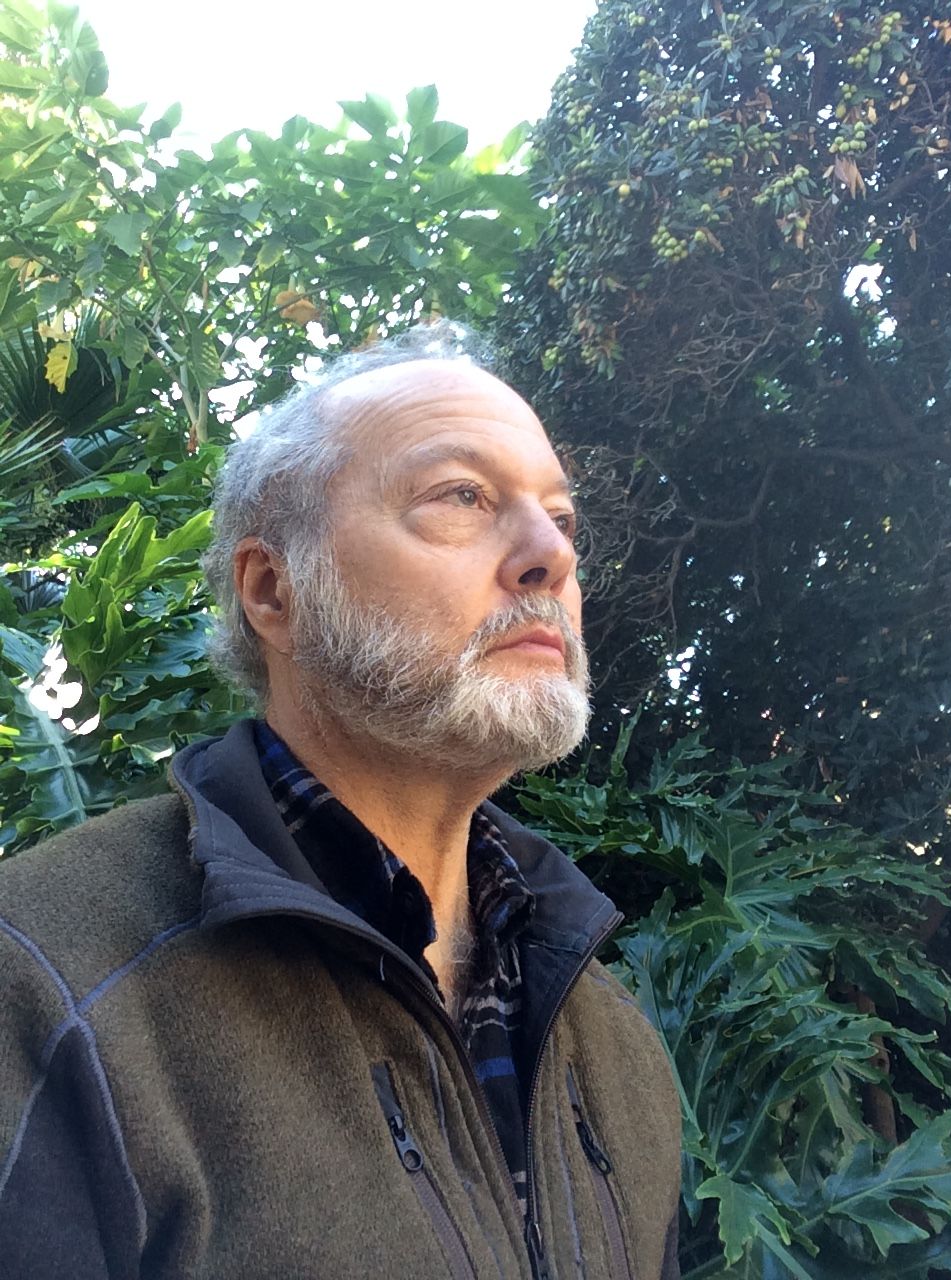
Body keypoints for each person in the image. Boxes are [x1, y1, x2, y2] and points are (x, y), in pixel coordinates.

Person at [0, 326, 681, 1279]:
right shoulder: (43, 985)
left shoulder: (612, 1041)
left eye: (561, 518)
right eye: (462, 497)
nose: (547, 557)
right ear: (274, 592)